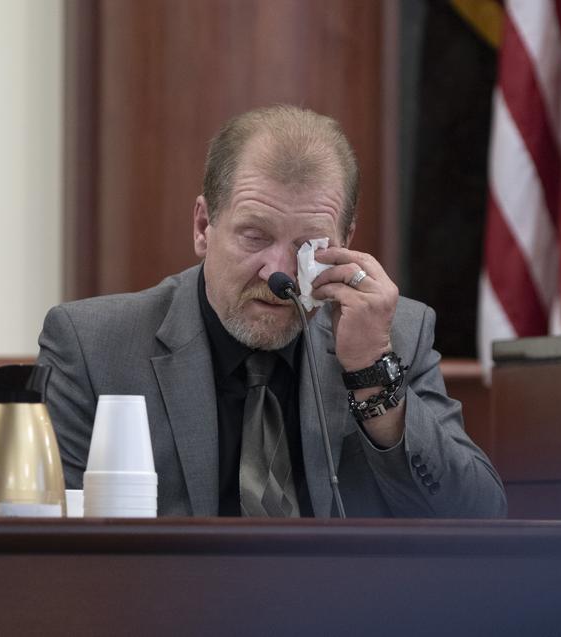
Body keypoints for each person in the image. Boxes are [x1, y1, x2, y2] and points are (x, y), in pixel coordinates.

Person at [37, 105, 506, 518]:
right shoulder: (94, 347)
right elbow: (59, 557)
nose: (278, 274)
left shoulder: (394, 333)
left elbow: (478, 516)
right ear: (204, 227)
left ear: (345, 244)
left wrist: (371, 374)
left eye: (308, 246)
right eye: (255, 237)